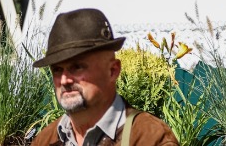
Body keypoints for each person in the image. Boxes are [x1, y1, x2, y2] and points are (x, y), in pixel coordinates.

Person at [31, 8, 179, 146]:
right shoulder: (45, 140)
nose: (64, 80)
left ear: (113, 71)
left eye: (77, 67)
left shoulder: (150, 138)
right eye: (57, 70)